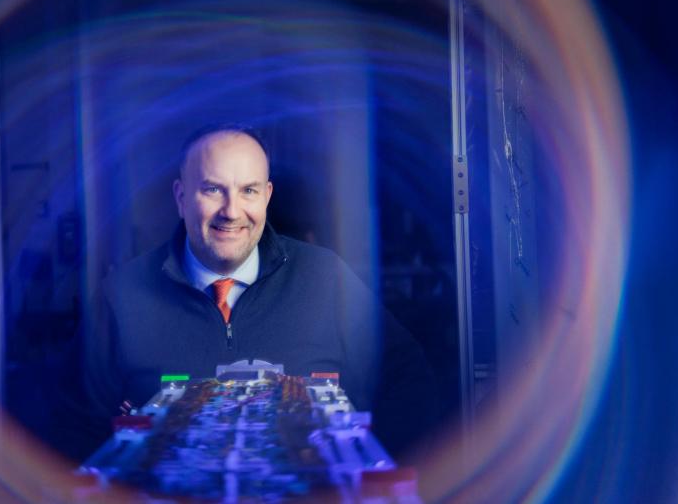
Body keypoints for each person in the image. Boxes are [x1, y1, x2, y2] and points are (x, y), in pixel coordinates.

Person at [51, 124, 436, 462]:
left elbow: (409, 381)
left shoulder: (326, 277)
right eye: (212, 190)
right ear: (181, 197)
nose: (231, 211)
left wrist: (361, 472)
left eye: (248, 190)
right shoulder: (122, 297)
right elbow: (69, 427)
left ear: (267, 196)